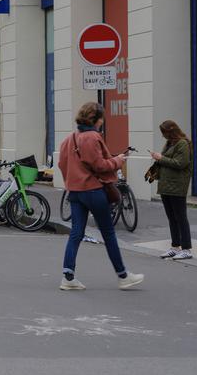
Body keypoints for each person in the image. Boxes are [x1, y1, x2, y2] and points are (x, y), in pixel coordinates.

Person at [57, 101, 144, 291]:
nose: (103, 122)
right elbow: (99, 166)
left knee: (76, 233)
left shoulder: (69, 139)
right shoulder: (92, 137)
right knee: (108, 233)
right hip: (94, 190)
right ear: (96, 120)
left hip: (75, 192)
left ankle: (68, 276)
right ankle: (123, 276)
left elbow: (62, 165)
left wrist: (72, 182)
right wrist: (118, 161)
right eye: (102, 118)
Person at [147, 120, 194, 261]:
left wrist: (161, 158)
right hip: (166, 185)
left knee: (181, 218)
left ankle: (186, 249)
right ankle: (175, 247)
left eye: (164, 133)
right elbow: (168, 160)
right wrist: (158, 159)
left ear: (171, 131)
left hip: (177, 185)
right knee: (172, 218)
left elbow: (180, 163)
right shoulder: (170, 143)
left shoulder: (183, 144)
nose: (163, 136)